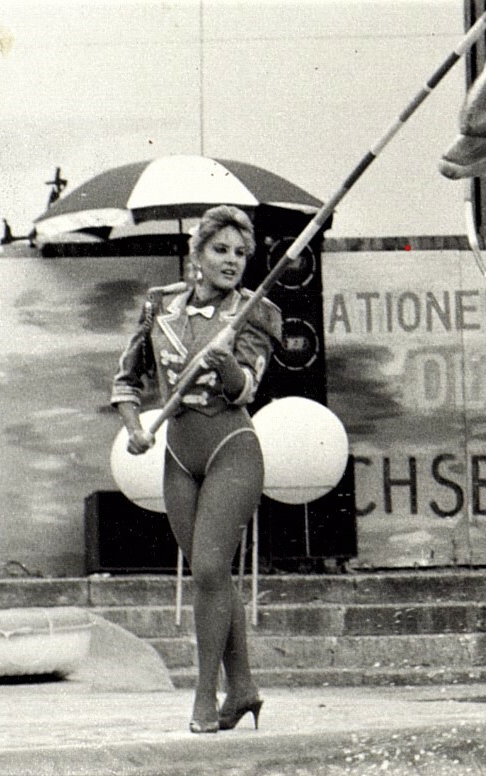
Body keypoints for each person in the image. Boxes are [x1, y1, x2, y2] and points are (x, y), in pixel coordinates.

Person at [111, 205, 282, 733]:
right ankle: (245, 688)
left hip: (232, 445)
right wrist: (136, 426)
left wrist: (225, 360)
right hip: (178, 455)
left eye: (240, 253)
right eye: (220, 250)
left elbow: (246, 388)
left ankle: (205, 698)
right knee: (212, 575)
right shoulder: (159, 306)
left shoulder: (254, 311)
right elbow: (126, 378)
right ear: (198, 254)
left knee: (208, 570)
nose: (232, 261)